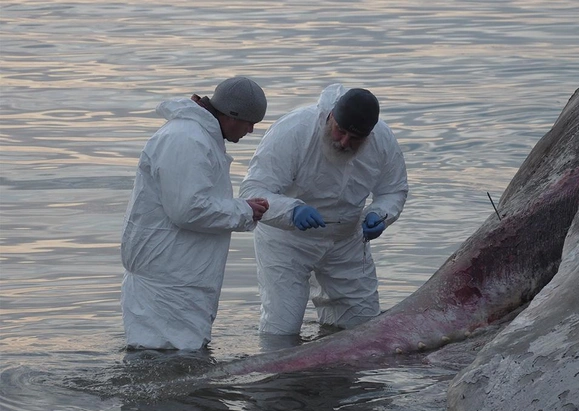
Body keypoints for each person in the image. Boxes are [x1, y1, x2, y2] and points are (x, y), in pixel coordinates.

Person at [240, 83, 409, 335]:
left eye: (355, 139)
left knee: (361, 326)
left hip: (347, 240)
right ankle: (280, 373)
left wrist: (381, 214)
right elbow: (253, 191)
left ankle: (336, 375)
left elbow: (393, 189)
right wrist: (291, 211)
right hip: (287, 241)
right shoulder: (294, 130)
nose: (343, 142)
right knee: (282, 326)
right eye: (340, 131)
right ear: (330, 116)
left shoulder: (382, 140)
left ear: (369, 135)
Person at [120, 76, 270, 350]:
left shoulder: (199, 136)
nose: (250, 131)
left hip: (179, 278)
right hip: (169, 283)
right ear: (231, 115)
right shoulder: (186, 139)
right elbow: (188, 209)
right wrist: (243, 210)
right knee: (167, 359)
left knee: (173, 363)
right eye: (250, 123)